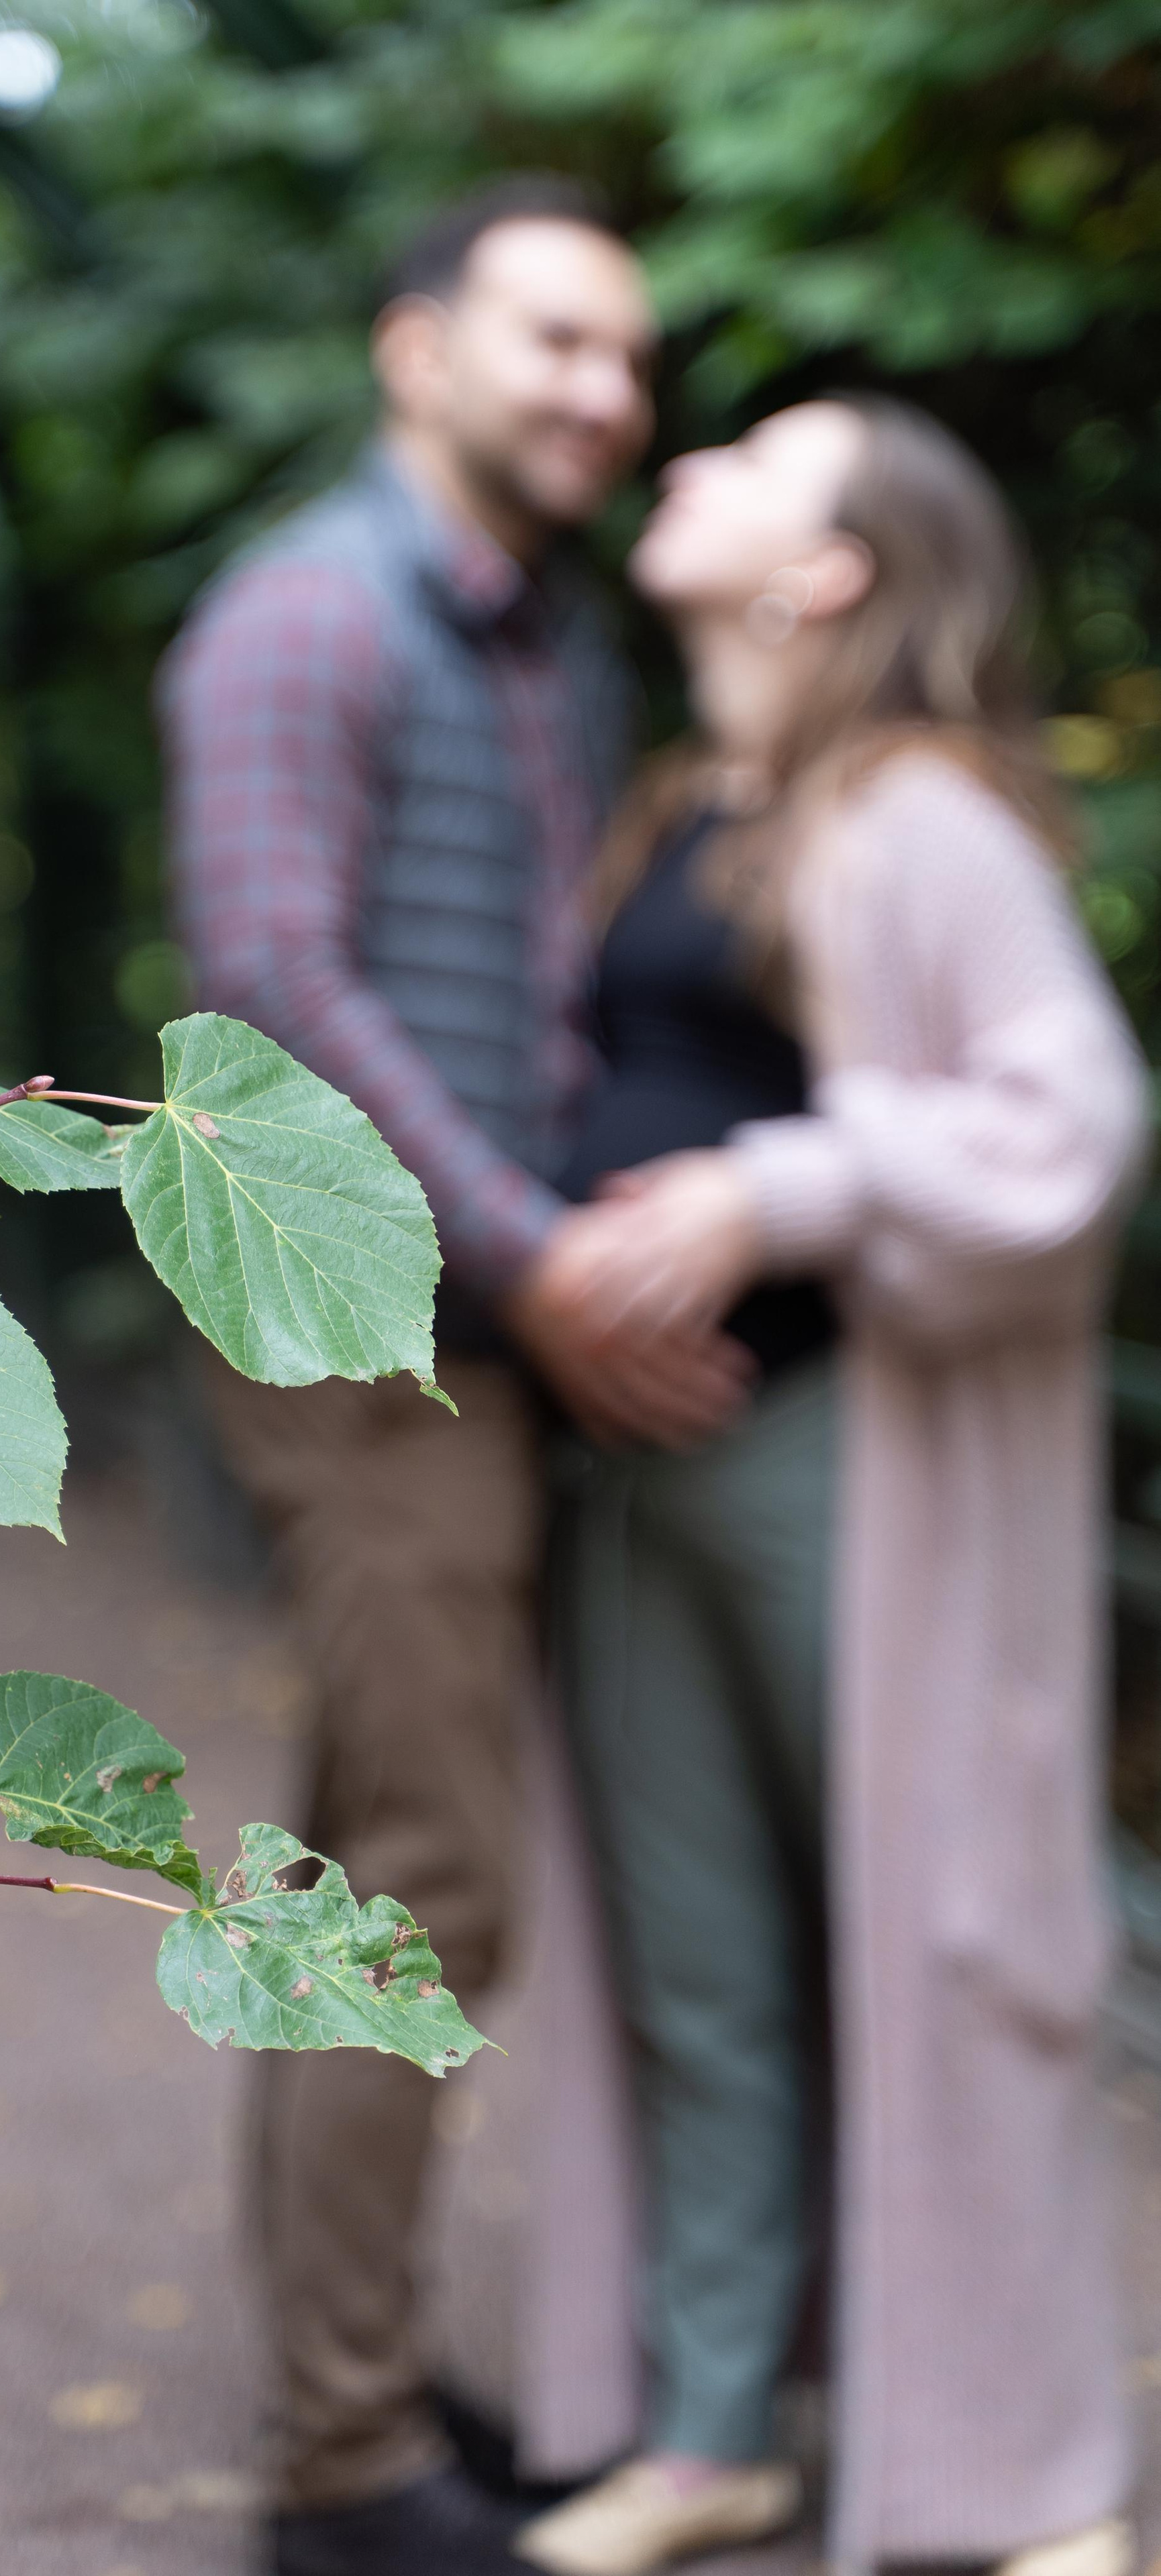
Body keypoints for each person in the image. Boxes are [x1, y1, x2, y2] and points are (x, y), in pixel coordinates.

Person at [162, 178, 751, 2576]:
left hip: (466, 1334)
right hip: (363, 1336)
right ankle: (343, 2469)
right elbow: (280, 987)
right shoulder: (315, 613)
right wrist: (544, 1269)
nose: (605, 393)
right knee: (417, 1880)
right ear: (416, 350)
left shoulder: (540, 644)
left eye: (628, 354)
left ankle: (362, 2393)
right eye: (553, 341)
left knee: (366, 1871)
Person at [512, 396, 1150, 2576]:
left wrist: (768, 1196)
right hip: (634, 1476)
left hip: (841, 1474)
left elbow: (1067, 1130)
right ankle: (713, 2435)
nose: (686, 462)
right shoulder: (692, 800)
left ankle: (1030, 2478)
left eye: (761, 458)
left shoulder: (926, 817)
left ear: (840, 564)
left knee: (955, 1953)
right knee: (694, 1967)